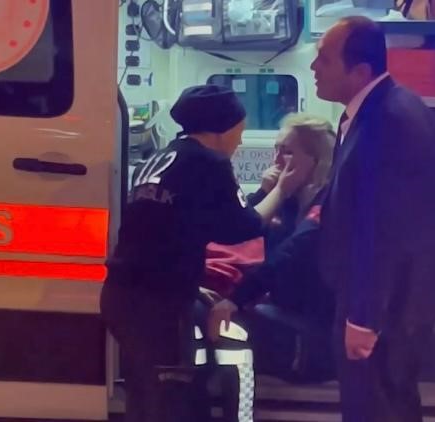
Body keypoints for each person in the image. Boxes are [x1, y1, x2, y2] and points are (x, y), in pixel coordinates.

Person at [99, 85, 312, 422]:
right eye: (239, 131)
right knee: (166, 404)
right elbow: (242, 227)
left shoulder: (163, 157)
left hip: (122, 296)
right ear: (222, 129)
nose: (240, 141)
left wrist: (195, 285)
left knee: (144, 397)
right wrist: (283, 190)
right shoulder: (209, 163)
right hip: (158, 304)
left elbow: (172, 230)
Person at [311, 16, 435, 422]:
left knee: (375, 408)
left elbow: (380, 229)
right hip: (391, 296)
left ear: (360, 71)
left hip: (386, 302)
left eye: (324, 60)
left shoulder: (387, 120)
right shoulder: (389, 106)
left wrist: (364, 317)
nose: (313, 68)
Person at [202, 113, 337, 421]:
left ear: (315, 160)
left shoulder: (329, 202)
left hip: (315, 331)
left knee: (232, 326)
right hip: (285, 311)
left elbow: (289, 255)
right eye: (276, 149)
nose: (275, 160)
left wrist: (235, 299)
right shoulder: (289, 200)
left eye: (286, 152)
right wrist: (267, 194)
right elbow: (238, 234)